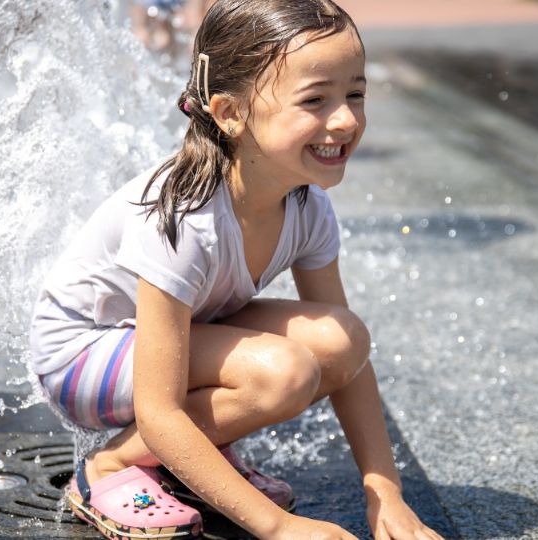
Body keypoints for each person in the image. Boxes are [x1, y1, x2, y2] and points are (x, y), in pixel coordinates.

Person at [29, 0, 444, 538]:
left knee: (343, 339)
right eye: (315, 99)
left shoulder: (305, 204)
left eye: (355, 94)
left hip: (164, 344)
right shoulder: (183, 219)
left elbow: (348, 362)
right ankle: (109, 467)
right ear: (229, 113)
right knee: (282, 373)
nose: (344, 119)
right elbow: (160, 408)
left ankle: (186, 464)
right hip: (83, 356)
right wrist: (277, 527)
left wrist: (385, 493)